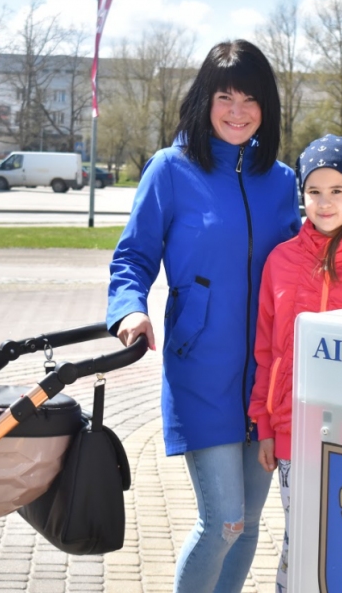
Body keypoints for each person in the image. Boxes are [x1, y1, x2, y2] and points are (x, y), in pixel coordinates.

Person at [107, 39, 301, 593]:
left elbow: (306, 261)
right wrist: (129, 310)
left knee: (249, 529)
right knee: (223, 523)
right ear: (204, 101)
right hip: (201, 371)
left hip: (267, 380)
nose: (238, 112)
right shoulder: (170, 170)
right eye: (226, 97)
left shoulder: (283, 182)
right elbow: (134, 254)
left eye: (251, 100)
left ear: (267, 107)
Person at [248, 135, 342, 592]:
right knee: (302, 542)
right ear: (301, 195)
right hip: (294, 435)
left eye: (337, 191)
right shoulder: (280, 261)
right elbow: (267, 352)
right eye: (314, 192)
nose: (324, 203)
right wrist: (265, 426)